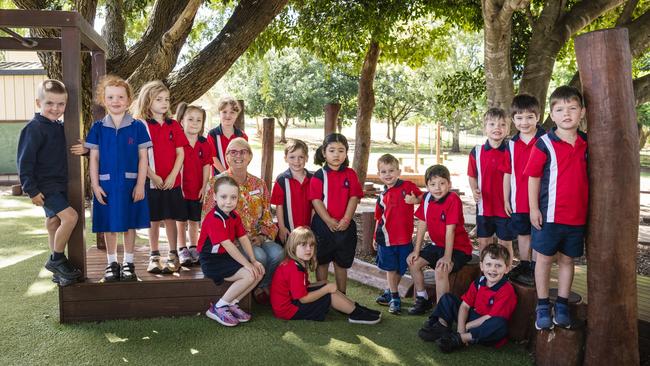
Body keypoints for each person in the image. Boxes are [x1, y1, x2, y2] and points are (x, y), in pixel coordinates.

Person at [525, 85, 587, 330]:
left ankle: (561, 303)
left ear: (582, 112)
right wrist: (533, 208)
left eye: (572, 108)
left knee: (568, 261)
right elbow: (533, 177)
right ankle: (542, 304)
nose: (567, 114)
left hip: (577, 217)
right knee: (543, 260)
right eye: (560, 109)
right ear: (552, 114)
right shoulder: (544, 144)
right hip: (549, 216)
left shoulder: (587, 143)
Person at [83, 75, 151, 282]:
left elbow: (143, 158)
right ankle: (112, 263)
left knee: (130, 224)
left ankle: (129, 263)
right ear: (104, 100)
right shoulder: (97, 128)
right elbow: (93, 159)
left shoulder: (138, 126)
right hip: (107, 185)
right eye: (111, 97)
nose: (116, 101)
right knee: (109, 225)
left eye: (120, 97)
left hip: (132, 185)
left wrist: (140, 184)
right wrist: (95, 185)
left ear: (128, 100)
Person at [17, 79, 81, 286]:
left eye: (61, 104)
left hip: (61, 184)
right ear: (39, 103)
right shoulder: (33, 128)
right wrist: (31, 191)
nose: (55, 108)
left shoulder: (61, 127)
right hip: (45, 187)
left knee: (54, 222)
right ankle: (57, 259)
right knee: (70, 217)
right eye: (50, 103)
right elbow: (25, 162)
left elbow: (72, 148)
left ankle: (59, 272)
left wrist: (85, 149)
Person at [203, 138, 283, 303]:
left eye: (243, 152)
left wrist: (261, 236)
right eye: (233, 152)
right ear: (226, 157)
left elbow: (267, 216)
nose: (238, 156)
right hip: (232, 241)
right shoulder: (216, 183)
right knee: (259, 256)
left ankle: (262, 285)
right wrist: (237, 241)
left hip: (258, 236)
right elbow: (208, 218)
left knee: (277, 253)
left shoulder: (259, 184)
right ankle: (251, 293)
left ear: (250, 157)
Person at [132, 81, 189, 274]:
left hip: (172, 182)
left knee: (171, 217)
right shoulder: (141, 126)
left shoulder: (174, 125)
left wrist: (173, 176)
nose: (164, 103)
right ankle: (154, 256)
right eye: (159, 99)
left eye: (166, 99)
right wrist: (153, 176)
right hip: (151, 181)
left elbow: (180, 153)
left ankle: (173, 255)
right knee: (153, 220)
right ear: (148, 101)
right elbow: (139, 156)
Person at [270, 226, 381, 324]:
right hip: (288, 310)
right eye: (303, 245)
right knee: (328, 293)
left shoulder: (297, 262)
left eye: (311, 245)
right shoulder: (293, 268)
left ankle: (356, 307)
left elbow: (304, 287)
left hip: (292, 302)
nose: (309, 249)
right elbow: (303, 299)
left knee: (326, 285)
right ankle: (356, 314)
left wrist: (322, 284)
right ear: (293, 247)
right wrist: (326, 289)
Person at [418, 244, 517, 354]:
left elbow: (490, 317)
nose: (493, 269)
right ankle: (442, 327)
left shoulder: (506, 290)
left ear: (507, 269)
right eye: (488, 264)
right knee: (447, 298)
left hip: (486, 326)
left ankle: (460, 339)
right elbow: (465, 305)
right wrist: (460, 328)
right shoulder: (480, 281)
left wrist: (466, 327)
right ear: (482, 266)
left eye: (498, 266)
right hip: (474, 317)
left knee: (500, 325)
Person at [407, 165, 473, 315]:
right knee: (413, 262)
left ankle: (441, 311)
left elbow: (451, 231)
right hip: (437, 245)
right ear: (427, 186)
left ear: (449, 184)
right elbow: (422, 225)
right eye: (432, 184)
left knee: (441, 269)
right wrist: (416, 251)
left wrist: (447, 257)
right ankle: (423, 298)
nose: (437, 188)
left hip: (458, 249)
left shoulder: (453, 200)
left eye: (442, 183)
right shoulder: (427, 198)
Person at [199, 176, 265, 327]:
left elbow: (243, 238)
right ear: (215, 197)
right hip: (211, 260)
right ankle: (218, 307)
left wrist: (253, 260)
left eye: (233, 197)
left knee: (259, 272)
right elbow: (228, 245)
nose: (228, 201)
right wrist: (247, 265)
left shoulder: (234, 216)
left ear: (238, 198)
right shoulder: (213, 219)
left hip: (224, 257)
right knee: (249, 274)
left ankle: (232, 304)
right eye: (223, 197)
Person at [309, 133, 363, 294]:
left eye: (341, 150)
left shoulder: (350, 174)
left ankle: (342, 295)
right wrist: (328, 220)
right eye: (332, 150)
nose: (336, 154)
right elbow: (316, 200)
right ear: (324, 152)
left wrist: (346, 219)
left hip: (344, 226)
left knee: (341, 263)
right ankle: (322, 295)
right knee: (322, 262)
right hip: (323, 226)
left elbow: (354, 197)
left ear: (346, 153)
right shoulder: (319, 175)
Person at [501, 94, 546, 286]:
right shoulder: (510, 144)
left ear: (538, 117)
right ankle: (525, 264)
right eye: (519, 118)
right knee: (523, 233)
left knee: (538, 233)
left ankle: (536, 267)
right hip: (518, 199)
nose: (524, 122)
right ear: (513, 120)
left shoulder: (546, 139)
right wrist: (505, 199)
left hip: (541, 199)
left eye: (529, 117)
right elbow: (507, 173)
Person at [373, 154, 423, 314]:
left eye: (391, 170)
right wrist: (375, 237)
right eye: (383, 171)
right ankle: (395, 297)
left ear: (398, 171)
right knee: (390, 268)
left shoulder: (408, 186)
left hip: (404, 238)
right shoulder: (382, 196)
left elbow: (423, 197)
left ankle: (389, 292)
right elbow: (378, 218)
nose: (388, 174)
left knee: (401, 268)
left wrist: (414, 201)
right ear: (379, 174)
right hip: (386, 239)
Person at [468, 108, 515, 260]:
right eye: (492, 124)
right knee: (484, 243)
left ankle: (506, 274)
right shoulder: (477, 151)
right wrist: (474, 189)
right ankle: (484, 275)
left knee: (505, 244)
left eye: (502, 124)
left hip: (506, 208)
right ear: (485, 128)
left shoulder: (511, 150)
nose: (497, 128)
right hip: (484, 207)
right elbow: (472, 175)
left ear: (508, 128)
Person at [174, 102, 211, 267]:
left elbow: (206, 166)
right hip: (181, 189)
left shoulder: (204, 144)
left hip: (197, 189)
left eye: (198, 120)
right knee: (181, 220)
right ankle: (182, 248)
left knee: (194, 220)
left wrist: (204, 186)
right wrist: (178, 187)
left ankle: (194, 246)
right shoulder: (178, 143)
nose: (195, 123)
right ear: (181, 121)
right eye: (190, 119)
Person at [271, 138, 313, 244]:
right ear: (286, 158)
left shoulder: (313, 179)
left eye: (301, 157)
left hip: (308, 229)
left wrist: (313, 227)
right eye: (292, 157)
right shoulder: (281, 180)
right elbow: (279, 206)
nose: (296, 161)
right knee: (290, 255)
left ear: (306, 158)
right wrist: (281, 228)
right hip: (289, 230)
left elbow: (315, 206)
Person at [207, 96, 248, 174]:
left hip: (237, 175)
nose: (228, 115)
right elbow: (212, 157)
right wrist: (226, 173)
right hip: (218, 177)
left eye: (232, 112)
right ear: (219, 113)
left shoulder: (242, 136)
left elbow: (244, 157)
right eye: (224, 112)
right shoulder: (212, 135)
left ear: (237, 115)